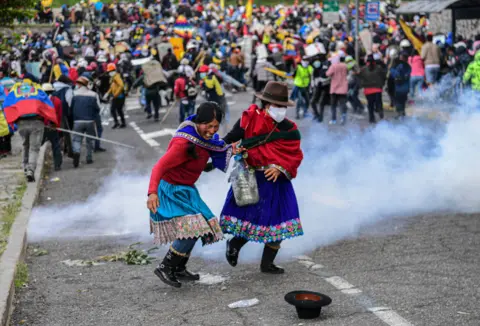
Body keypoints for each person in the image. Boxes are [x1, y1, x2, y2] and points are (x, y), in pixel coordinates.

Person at [221, 81, 304, 274]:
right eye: (277, 106)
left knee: (281, 220)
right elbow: (229, 139)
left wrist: (281, 168)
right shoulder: (249, 119)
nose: (281, 110)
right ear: (266, 105)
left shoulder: (289, 129)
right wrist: (212, 151)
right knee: (254, 218)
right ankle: (234, 245)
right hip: (253, 177)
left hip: (278, 181)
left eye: (283, 106)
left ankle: (267, 264)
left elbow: (295, 155)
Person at [147, 102, 231, 288]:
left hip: (187, 190)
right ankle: (166, 267)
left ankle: (179, 268)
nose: (211, 130)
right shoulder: (183, 142)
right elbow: (159, 167)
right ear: (198, 122)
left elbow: (204, 160)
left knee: (199, 227)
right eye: (207, 126)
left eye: (215, 126)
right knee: (193, 229)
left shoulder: (204, 140)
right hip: (171, 190)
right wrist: (152, 193)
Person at [2, 81, 59, 182]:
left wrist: (12, 122)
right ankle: (31, 169)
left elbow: (6, 105)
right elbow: (47, 105)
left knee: (25, 145)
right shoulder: (38, 91)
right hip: (37, 123)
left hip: (21, 124)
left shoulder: (15, 91)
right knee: (34, 148)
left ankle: (25, 167)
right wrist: (52, 121)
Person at [70, 77, 101, 168]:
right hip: (90, 121)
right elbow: (98, 108)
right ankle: (89, 157)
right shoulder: (94, 94)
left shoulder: (74, 94)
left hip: (77, 121)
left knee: (76, 140)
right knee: (89, 140)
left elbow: (71, 108)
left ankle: (76, 152)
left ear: (79, 84)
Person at [359, 55, 387, 124]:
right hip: (377, 89)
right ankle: (380, 111)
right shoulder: (379, 68)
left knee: (370, 105)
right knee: (379, 102)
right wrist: (382, 84)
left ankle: (371, 119)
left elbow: (360, 78)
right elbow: (384, 76)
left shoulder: (363, 69)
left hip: (368, 90)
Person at [42, 83, 63, 170]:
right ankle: (57, 165)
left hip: (44, 127)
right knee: (56, 146)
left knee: (36, 146)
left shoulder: (40, 101)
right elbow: (60, 115)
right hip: (54, 127)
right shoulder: (57, 101)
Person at [326, 53, 349, 125]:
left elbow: (327, 74)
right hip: (343, 88)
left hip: (334, 88)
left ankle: (333, 119)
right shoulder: (345, 66)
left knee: (333, 105)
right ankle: (343, 117)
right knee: (342, 104)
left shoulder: (333, 66)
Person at [390, 53, 412, 119]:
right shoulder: (408, 66)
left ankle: (400, 114)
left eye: (401, 57)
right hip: (405, 88)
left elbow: (394, 73)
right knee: (402, 101)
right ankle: (402, 114)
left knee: (398, 101)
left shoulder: (400, 65)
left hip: (399, 88)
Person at [105, 63, 126, 129]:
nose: (109, 72)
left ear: (114, 70)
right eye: (109, 71)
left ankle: (118, 123)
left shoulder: (116, 77)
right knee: (118, 110)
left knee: (113, 110)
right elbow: (112, 87)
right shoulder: (113, 77)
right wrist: (107, 93)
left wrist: (115, 94)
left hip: (119, 96)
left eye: (111, 71)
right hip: (117, 96)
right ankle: (122, 123)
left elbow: (121, 85)